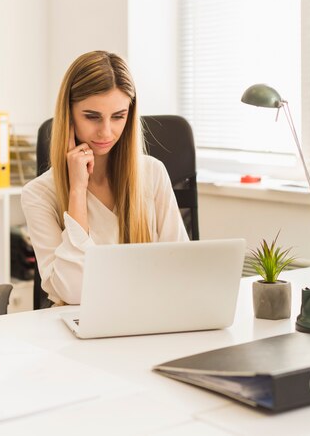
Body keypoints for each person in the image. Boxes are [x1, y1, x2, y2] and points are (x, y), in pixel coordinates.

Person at [21, 50, 188, 305]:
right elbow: (74, 293)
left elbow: (181, 269)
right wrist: (77, 190)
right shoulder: (39, 194)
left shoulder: (152, 173)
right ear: (69, 115)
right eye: (92, 117)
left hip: (149, 321)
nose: (106, 132)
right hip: (81, 331)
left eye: (118, 116)